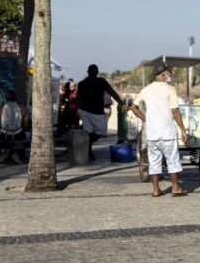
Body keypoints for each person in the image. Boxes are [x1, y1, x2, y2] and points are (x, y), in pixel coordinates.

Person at [129, 63, 189, 197]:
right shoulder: (170, 89)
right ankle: (175, 188)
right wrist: (183, 129)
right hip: (167, 132)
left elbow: (133, 107)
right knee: (172, 160)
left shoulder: (146, 89)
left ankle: (156, 190)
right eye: (169, 74)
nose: (170, 76)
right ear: (163, 75)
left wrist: (146, 119)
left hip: (152, 133)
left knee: (154, 161)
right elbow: (175, 111)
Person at [77, 64, 125, 160]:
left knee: (90, 132)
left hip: (84, 110)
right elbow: (112, 92)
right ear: (97, 72)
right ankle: (88, 150)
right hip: (94, 111)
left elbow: (79, 99)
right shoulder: (101, 81)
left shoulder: (81, 83)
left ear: (88, 72)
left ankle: (87, 148)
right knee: (101, 131)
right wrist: (120, 102)